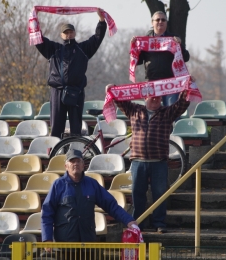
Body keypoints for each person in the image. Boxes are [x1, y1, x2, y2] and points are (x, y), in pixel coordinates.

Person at [105, 84, 190, 233]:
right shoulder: (135, 110)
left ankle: (159, 224)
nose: (155, 99)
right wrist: (112, 89)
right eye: (152, 97)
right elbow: (120, 100)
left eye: (158, 97)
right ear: (145, 97)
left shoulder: (167, 112)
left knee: (159, 194)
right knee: (137, 194)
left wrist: (188, 87)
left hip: (159, 162)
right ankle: (138, 223)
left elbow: (182, 105)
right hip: (138, 161)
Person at [41, 148, 137, 258]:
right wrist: (47, 238)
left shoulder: (92, 184)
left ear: (83, 165)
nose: (75, 164)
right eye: (72, 161)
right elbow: (47, 213)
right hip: (65, 243)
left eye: (78, 161)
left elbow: (111, 205)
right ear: (66, 166)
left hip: (88, 242)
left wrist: (128, 220)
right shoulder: (58, 185)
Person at [35, 8, 107, 138]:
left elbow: (97, 38)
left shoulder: (83, 49)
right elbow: (38, 39)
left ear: (74, 33)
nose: (68, 34)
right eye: (65, 32)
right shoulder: (53, 49)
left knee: (76, 128)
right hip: (57, 91)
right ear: (61, 35)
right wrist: (34, 19)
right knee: (56, 128)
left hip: (76, 91)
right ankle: (55, 154)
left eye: (70, 31)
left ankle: (76, 155)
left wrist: (101, 21)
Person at [131, 11, 190, 109]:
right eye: (157, 20)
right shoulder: (145, 40)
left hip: (171, 83)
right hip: (151, 82)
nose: (160, 22)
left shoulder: (173, 39)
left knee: (172, 113)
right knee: (151, 114)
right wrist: (134, 48)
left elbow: (186, 58)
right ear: (152, 22)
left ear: (166, 23)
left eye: (163, 20)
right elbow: (138, 61)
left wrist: (180, 46)